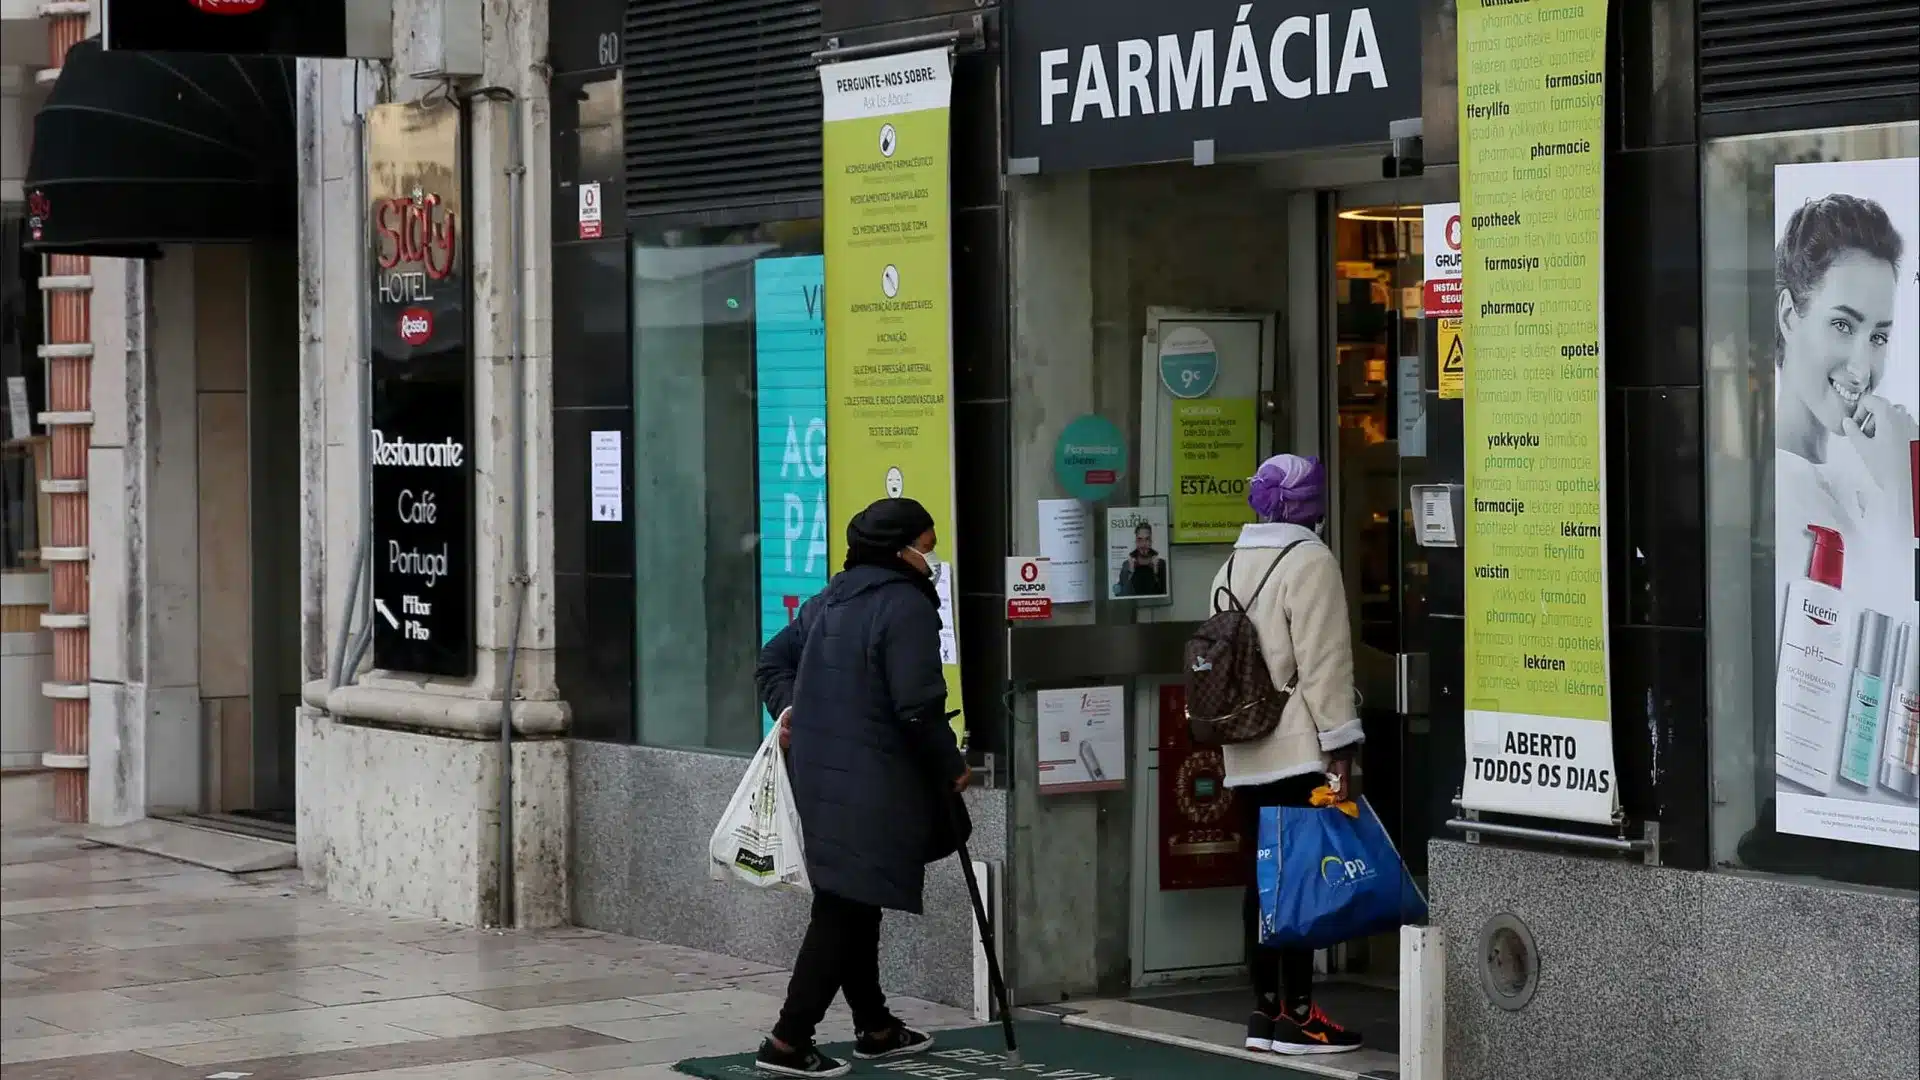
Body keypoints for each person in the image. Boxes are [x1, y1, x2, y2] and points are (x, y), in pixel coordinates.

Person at [752, 497, 970, 1077]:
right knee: (844, 908)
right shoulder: (904, 606)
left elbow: (771, 663)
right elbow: (919, 707)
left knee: (853, 898)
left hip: (826, 773)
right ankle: (788, 1041)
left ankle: (875, 1026)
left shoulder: (834, 598)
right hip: (873, 780)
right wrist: (952, 766)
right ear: (898, 549)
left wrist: (799, 712)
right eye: (926, 547)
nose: (931, 560)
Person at [1211, 453, 1366, 1056]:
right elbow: (1325, 665)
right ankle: (1300, 1017)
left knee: (1265, 881)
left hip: (1246, 751)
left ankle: (1264, 1011)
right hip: (1300, 748)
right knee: (1299, 881)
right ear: (1309, 504)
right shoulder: (1308, 561)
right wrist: (1342, 747)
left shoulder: (1231, 562)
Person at [1772, 192, 1917, 643]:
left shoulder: (1867, 466)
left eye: (1878, 336)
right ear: (1790, 317)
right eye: (1842, 325)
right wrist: (1904, 488)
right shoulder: (1773, 496)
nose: (1861, 367)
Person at [1117, 521, 1168, 596]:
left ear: (1151, 541)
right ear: (1136, 542)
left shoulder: (1161, 564)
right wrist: (1130, 573)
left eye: (1147, 539)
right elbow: (1120, 595)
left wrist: (1156, 573)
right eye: (1140, 539)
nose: (1143, 544)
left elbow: (1164, 594)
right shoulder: (1126, 565)